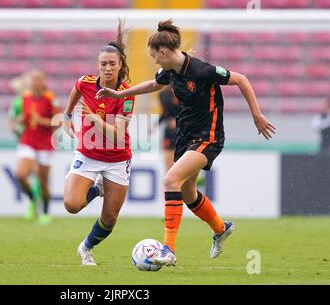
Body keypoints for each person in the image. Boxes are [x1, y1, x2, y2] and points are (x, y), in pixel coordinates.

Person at [97, 19, 276, 266]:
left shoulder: (202, 70)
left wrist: (256, 115)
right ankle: (221, 228)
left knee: (170, 180)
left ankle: (168, 249)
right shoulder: (169, 72)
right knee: (187, 192)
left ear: (163, 52)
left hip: (208, 136)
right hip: (185, 136)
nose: (155, 61)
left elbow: (241, 79)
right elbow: (153, 84)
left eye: (155, 56)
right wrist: (119, 93)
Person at [62, 20, 135, 265]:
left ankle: (86, 247)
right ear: (98, 66)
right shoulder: (86, 83)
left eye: (112, 64)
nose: (107, 68)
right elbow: (75, 90)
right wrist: (66, 115)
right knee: (72, 205)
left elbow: (117, 133)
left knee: (110, 217)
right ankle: (97, 189)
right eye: (103, 64)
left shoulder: (126, 94)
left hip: (117, 158)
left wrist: (94, 120)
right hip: (88, 154)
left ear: (120, 65)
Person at [14, 69, 60, 225]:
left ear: (44, 82)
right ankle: (33, 199)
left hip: (45, 144)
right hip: (28, 140)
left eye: (38, 79)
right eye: (33, 79)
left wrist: (43, 121)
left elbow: (59, 121)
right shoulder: (25, 97)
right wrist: (19, 122)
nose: (35, 82)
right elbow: (24, 116)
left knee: (43, 181)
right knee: (20, 174)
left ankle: (45, 211)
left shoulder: (50, 99)